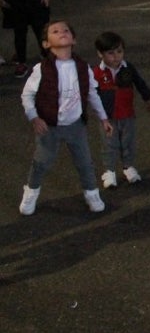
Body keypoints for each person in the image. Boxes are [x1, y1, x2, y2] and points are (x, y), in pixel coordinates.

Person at [18, 20, 111, 216]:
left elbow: (92, 93)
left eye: (66, 30)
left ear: (73, 39)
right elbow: (27, 95)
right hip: (49, 127)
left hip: (75, 126)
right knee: (41, 163)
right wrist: (34, 117)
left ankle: (91, 193)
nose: (62, 33)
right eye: (55, 31)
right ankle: (31, 192)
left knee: (85, 162)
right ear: (46, 44)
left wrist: (103, 118)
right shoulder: (41, 69)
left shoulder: (82, 67)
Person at [93, 31, 150, 188]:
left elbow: (140, 83)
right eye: (110, 53)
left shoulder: (128, 68)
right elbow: (89, 93)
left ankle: (128, 167)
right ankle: (109, 171)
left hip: (127, 114)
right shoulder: (96, 73)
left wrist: (148, 98)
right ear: (100, 54)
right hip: (107, 117)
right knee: (109, 144)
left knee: (128, 142)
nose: (116, 56)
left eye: (119, 51)